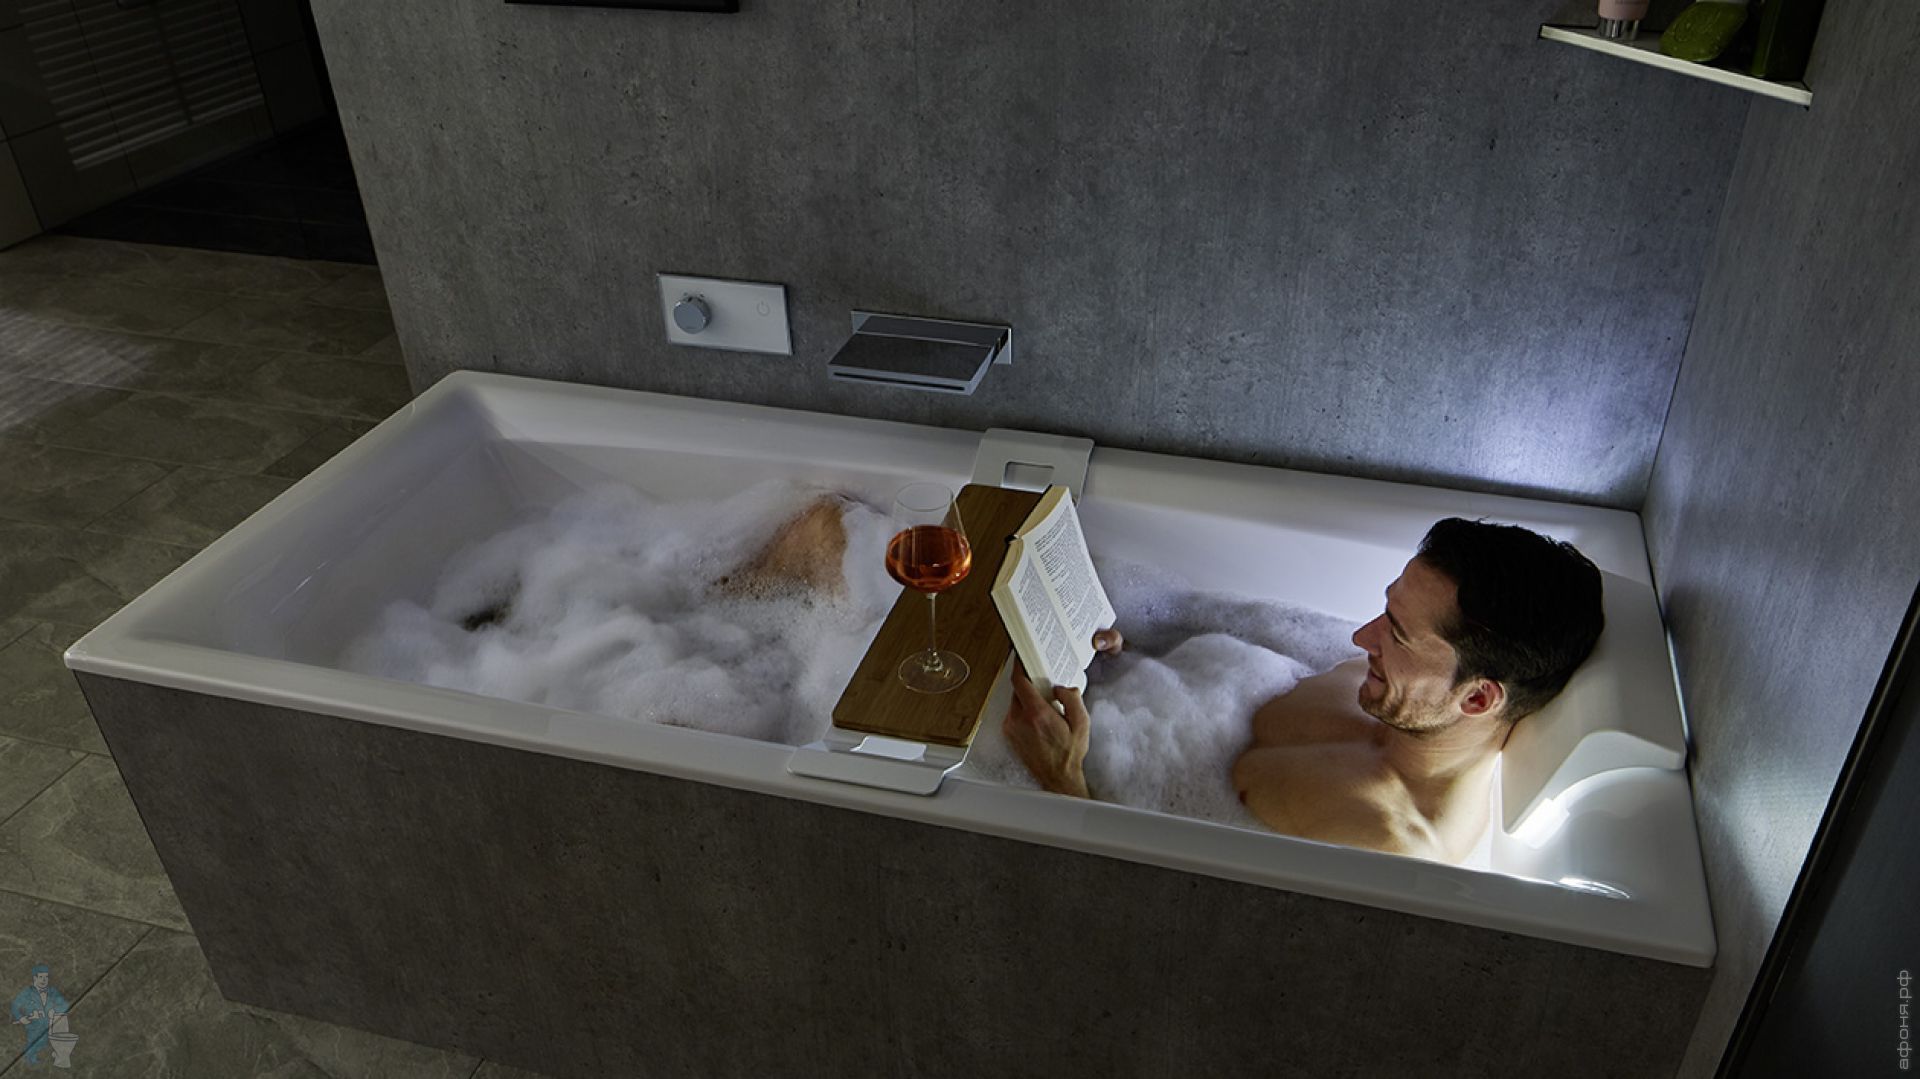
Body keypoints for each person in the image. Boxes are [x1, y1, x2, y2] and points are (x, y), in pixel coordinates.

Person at [1003, 517, 1604, 864]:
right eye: (1387, 610)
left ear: (1477, 699)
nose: (1361, 637)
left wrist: (1063, 785)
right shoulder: (1393, 692)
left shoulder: (1383, 848)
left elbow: (1151, 925)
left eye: (1396, 634)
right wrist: (1126, 650)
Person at [11, 963, 68, 1067]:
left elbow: (65, 1005)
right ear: (35, 978)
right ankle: (31, 1061)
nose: (44, 980)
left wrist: (54, 1011)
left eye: (46, 977)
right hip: (34, 1027)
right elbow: (15, 1005)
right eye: (41, 977)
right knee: (34, 1046)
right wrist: (21, 1017)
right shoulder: (27, 993)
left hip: (51, 1026)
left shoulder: (52, 991)